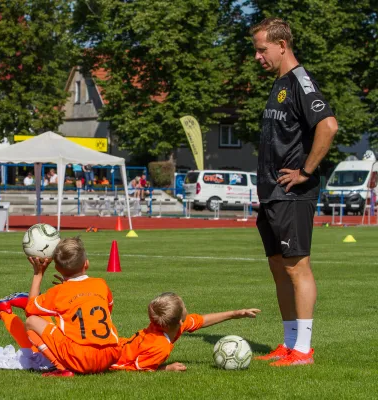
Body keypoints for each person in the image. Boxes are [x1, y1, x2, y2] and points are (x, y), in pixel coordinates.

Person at [250, 18, 338, 366]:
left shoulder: (301, 81)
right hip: (272, 193)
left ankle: (304, 349)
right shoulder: (279, 84)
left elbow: (328, 126)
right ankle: (288, 345)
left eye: (261, 49)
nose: (257, 56)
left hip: (292, 194)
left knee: (297, 267)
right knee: (278, 266)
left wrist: (305, 171)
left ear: (282, 45)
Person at [22, 237, 120, 377]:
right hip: (111, 354)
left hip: (80, 357)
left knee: (31, 321)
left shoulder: (59, 292)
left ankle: (61, 368)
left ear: (57, 268)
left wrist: (38, 274)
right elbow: (108, 309)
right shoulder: (101, 284)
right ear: (86, 263)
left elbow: (30, 309)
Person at [110, 292, 260, 372]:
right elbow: (139, 368)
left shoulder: (171, 326)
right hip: (111, 358)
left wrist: (236, 314)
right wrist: (166, 368)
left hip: (119, 344)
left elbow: (202, 320)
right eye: (185, 308)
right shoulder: (160, 347)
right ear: (180, 321)